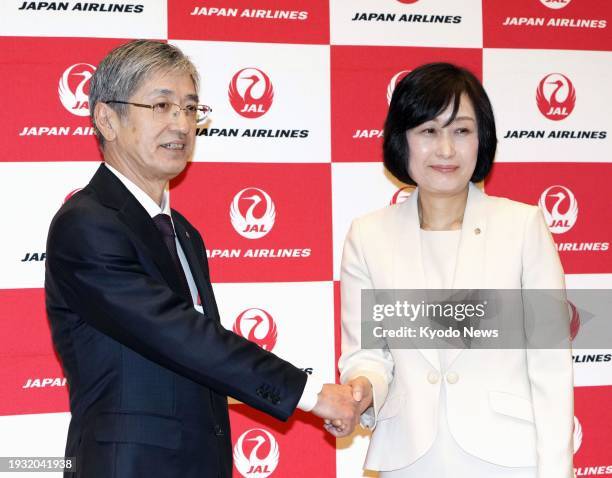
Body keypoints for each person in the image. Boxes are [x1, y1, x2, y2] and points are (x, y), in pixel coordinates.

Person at [45, 40, 358, 478]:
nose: (181, 123)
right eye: (161, 105)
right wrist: (309, 394)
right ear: (106, 119)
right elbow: (180, 334)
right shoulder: (87, 223)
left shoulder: (183, 231)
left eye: (191, 108)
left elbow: (198, 353)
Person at [338, 63, 574, 477]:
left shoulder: (523, 227)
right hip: (409, 458)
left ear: (481, 140)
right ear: (401, 140)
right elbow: (368, 355)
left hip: (509, 459)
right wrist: (361, 389)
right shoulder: (368, 235)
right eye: (428, 131)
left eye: (461, 130)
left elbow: (550, 363)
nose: (446, 149)